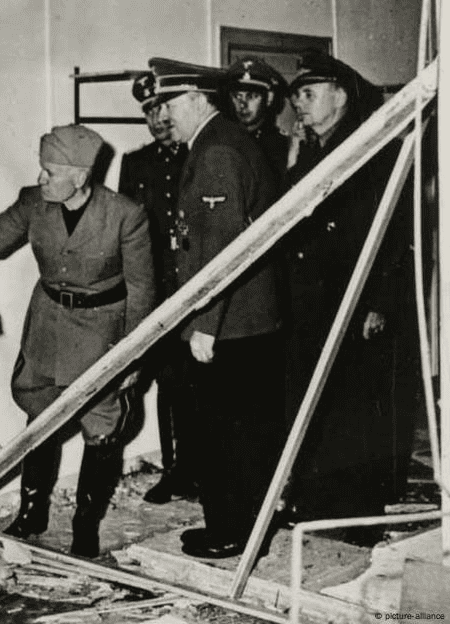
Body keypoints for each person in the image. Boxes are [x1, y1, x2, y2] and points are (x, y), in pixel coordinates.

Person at [0, 124, 155, 557]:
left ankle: (85, 528)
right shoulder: (33, 203)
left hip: (103, 332)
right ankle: (32, 514)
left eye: (50, 172)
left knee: (102, 429)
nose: (41, 178)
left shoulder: (125, 215)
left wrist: (133, 358)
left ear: (80, 177)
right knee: (40, 417)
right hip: (48, 327)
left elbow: (143, 291)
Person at [148, 57, 285, 559]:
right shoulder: (218, 142)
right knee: (234, 432)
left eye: (170, 104)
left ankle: (232, 532)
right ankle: (236, 526)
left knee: (227, 435)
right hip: (241, 319)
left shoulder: (218, 151)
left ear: (197, 99)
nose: (164, 116)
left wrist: (205, 325)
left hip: (231, 323)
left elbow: (223, 249)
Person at [282, 51, 414, 545]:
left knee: (358, 407)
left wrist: (380, 302)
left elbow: (395, 233)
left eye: (308, 94)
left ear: (339, 96)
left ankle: (359, 514)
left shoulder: (372, 149)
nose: (299, 104)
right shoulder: (313, 150)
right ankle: (317, 501)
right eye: (296, 96)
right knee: (317, 402)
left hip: (356, 300)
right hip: (313, 300)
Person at [118, 72, 199, 505]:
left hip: (196, 287)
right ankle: (175, 471)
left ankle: (206, 470)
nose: (158, 119)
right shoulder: (136, 164)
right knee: (168, 384)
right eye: (149, 112)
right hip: (156, 294)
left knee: (202, 384)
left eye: (164, 108)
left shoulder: (200, 155)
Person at [224, 56, 289, 178]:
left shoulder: (281, 146)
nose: (242, 105)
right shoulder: (223, 139)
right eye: (237, 96)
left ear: (269, 98)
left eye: (252, 96)